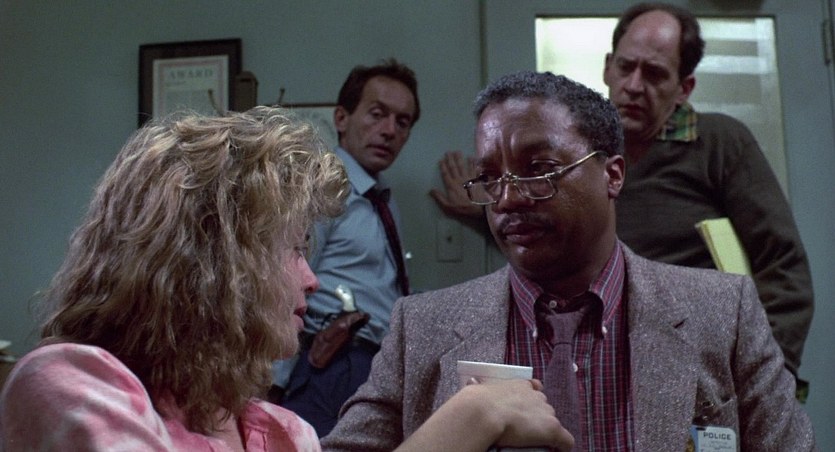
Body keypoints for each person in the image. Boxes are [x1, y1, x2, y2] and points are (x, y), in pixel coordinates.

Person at [0, 107, 571, 452]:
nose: (311, 279)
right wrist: (470, 419)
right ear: (213, 258)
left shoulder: (284, 431)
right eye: (295, 249)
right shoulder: (69, 384)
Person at [324, 72, 815, 451]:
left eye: (540, 170)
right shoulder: (422, 328)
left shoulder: (722, 313)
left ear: (613, 176)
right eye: (490, 178)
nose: (507, 199)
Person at [430, 2, 814, 386]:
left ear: (684, 88)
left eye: (654, 74)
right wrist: (487, 207)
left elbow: (782, 264)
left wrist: (764, 374)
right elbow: (552, 234)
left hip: (690, 350)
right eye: (625, 67)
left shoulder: (719, 141)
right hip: (580, 343)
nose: (633, 85)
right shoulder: (575, 147)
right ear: (607, 67)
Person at [272, 58, 420, 436]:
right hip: (332, 362)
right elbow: (283, 283)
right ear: (341, 118)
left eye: (402, 122)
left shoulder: (380, 199)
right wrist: (273, 384)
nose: (389, 130)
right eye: (377, 114)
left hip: (375, 364)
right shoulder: (323, 188)